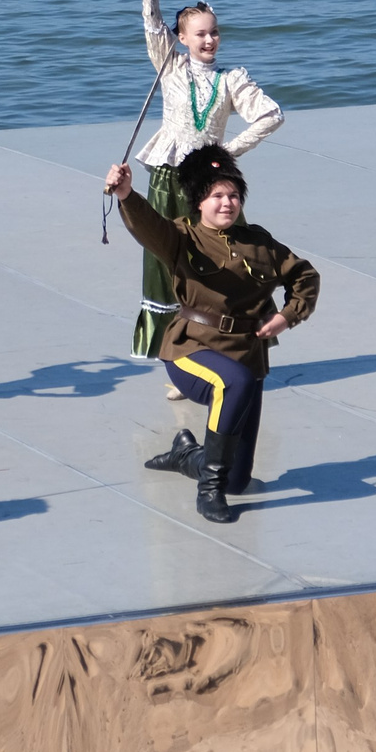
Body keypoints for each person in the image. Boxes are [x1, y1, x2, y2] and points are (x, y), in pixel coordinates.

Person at [107, 145, 318, 524]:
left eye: (234, 195)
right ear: (199, 203)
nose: (227, 203)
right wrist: (125, 193)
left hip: (247, 355)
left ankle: (186, 454)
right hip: (192, 348)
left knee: (239, 479)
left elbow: (305, 276)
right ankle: (208, 491)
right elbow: (147, 224)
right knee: (231, 383)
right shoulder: (180, 238)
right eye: (217, 196)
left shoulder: (259, 240)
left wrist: (288, 316)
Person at [128, 0, 285, 365]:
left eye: (214, 32)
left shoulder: (232, 79)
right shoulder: (169, 62)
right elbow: (150, 17)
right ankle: (177, 357)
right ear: (181, 37)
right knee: (169, 264)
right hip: (168, 177)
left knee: (227, 263)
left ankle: (234, 344)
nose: (210, 40)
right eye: (200, 33)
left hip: (211, 183)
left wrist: (228, 152)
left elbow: (272, 114)